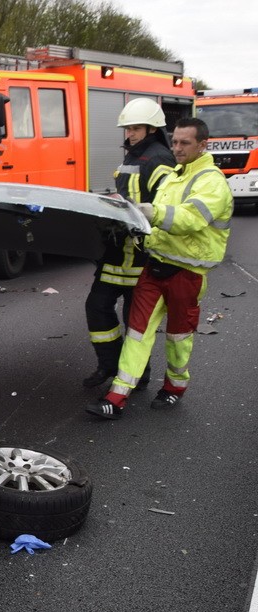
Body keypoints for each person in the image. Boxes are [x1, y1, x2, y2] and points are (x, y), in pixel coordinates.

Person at [86, 117, 233, 420]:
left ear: (203, 144)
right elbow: (159, 224)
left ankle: (174, 388)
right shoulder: (174, 177)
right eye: (175, 141)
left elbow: (189, 219)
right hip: (156, 267)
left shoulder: (212, 181)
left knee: (179, 338)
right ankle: (116, 397)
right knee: (137, 333)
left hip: (187, 274)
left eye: (184, 143)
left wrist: (149, 212)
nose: (176, 148)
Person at [82, 98, 175, 389]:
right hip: (116, 252)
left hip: (142, 257)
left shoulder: (159, 159)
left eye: (135, 128)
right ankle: (109, 365)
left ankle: (136, 374)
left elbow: (162, 205)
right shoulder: (132, 156)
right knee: (97, 307)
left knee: (135, 321)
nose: (130, 134)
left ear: (151, 128)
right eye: (128, 128)